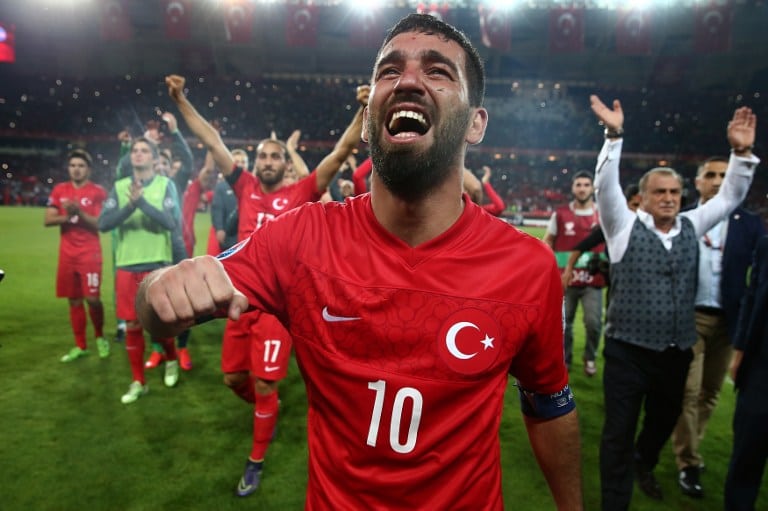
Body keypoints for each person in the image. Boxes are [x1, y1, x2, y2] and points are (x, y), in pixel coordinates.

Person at [138, 14, 582, 510]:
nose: (408, 80)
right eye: (390, 70)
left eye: (437, 71)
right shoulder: (301, 238)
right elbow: (154, 314)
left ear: (476, 122)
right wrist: (159, 289)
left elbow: (548, 403)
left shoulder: (527, 266)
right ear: (368, 120)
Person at [166, 73, 369, 497]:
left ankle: (255, 461)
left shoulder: (302, 192)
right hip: (237, 300)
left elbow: (341, 151)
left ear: (285, 162)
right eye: (263, 155)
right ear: (256, 162)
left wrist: (363, 109)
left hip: (277, 306)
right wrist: (181, 99)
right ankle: (267, 410)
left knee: (263, 383)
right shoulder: (244, 188)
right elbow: (211, 141)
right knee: (232, 378)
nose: (269, 161)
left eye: (276, 156)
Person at [589, 95, 758, 510]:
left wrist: (741, 154)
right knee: (618, 431)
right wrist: (614, 136)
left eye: (675, 191)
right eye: (660, 192)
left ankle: (644, 460)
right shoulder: (622, 227)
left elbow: (729, 198)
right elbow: (605, 187)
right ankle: (615, 502)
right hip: (628, 352)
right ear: (643, 197)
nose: (668, 198)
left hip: (675, 352)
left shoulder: (690, 224)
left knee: (664, 420)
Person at [671, 156, 766, 498]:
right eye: (709, 175)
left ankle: (691, 446)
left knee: (710, 393)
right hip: (689, 317)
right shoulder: (682, 219)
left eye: (724, 175)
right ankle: (688, 462)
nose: (716, 181)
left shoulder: (750, 224)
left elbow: (759, 277)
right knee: (688, 391)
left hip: (729, 322)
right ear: (697, 182)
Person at [99, 137, 182, 404]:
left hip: (157, 265)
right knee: (132, 325)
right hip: (127, 264)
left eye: (144, 150)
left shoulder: (165, 185)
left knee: (159, 323)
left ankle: (171, 359)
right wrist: (129, 206)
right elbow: (103, 223)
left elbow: (171, 222)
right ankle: (138, 381)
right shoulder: (119, 187)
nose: (138, 154)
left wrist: (141, 203)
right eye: (135, 150)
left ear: (154, 159)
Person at [44, 149, 109, 362]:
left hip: (89, 253)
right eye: (73, 165)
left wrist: (78, 212)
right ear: (68, 168)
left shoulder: (97, 192)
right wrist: (68, 216)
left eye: (81, 166)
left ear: (88, 169)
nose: (76, 169)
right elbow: (48, 220)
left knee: (93, 299)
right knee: (73, 300)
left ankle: (100, 336)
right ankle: (80, 345)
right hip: (67, 254)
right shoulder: (60, 190)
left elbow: (100, 223)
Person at [543, 170, 605, 376]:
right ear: (573, 188)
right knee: (564, 324)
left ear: (592, 188)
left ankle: (589, 357)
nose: (582, 189)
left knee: (593, 323)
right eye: (578, 185)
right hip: (565, 280)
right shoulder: (560, 214)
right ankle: (565, 359)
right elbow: (548, 241)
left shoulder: (602, 215)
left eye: (586, 185)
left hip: (593, 280)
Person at [725, 234, 768, 510]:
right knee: (747, 455)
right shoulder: (765, 245)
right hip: (760, 370)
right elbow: (751, 298)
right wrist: (739, 351)